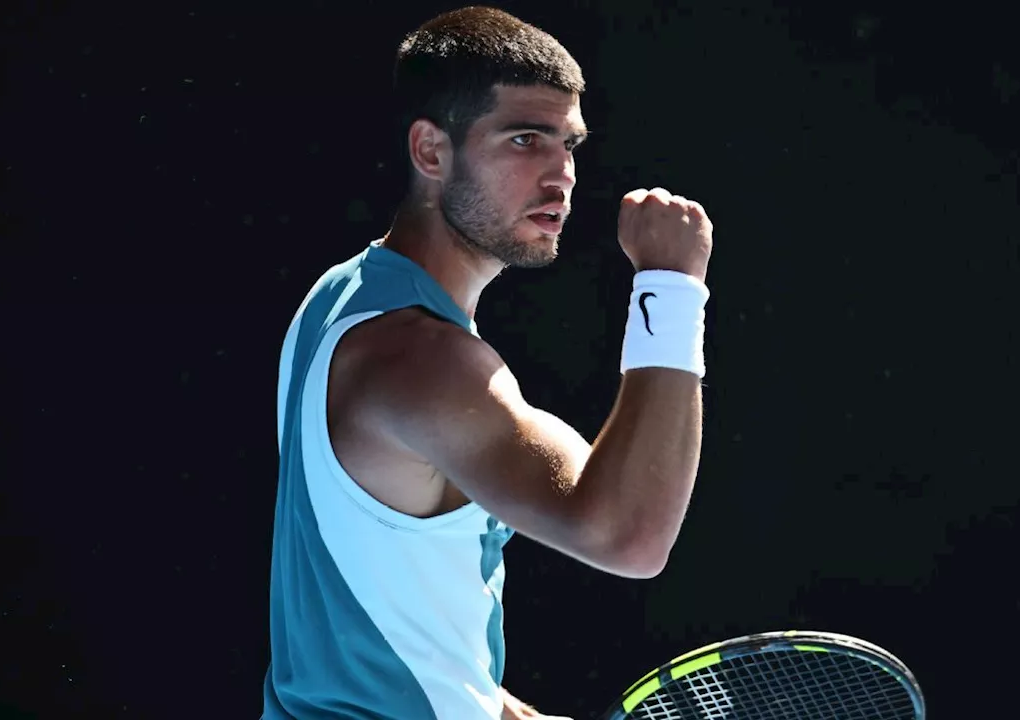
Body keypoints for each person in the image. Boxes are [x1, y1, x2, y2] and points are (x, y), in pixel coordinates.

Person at [261, 6, 714, 719]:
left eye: (569, 143)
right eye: (524, 139)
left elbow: (374, 620)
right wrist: (672, 287)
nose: (561, 174)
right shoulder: (422, 361)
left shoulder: (342, 296)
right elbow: (630, 534)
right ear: (431, 152)